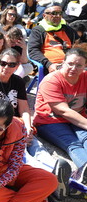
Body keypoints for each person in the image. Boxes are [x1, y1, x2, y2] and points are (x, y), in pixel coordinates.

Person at [33, 48, 87, 182]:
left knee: (85, 137)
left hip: (77, 116)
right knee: (73, 144)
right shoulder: (51, 80)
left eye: (79, 65)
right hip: (50, 121)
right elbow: (63, 111)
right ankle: (84, 169)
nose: (74, 68)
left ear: (84, 66)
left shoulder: (85, 77)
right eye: (70, 63)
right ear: (63, 63)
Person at [28, 4, 79, 74]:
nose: (58, 16)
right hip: (53, 66)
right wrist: (48, 64)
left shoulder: (68, 29)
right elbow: (33, 51)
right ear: (44, 16)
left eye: (60, 13)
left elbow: (79, 44)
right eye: (54, 13)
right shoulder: (38, 30)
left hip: (73, 64)